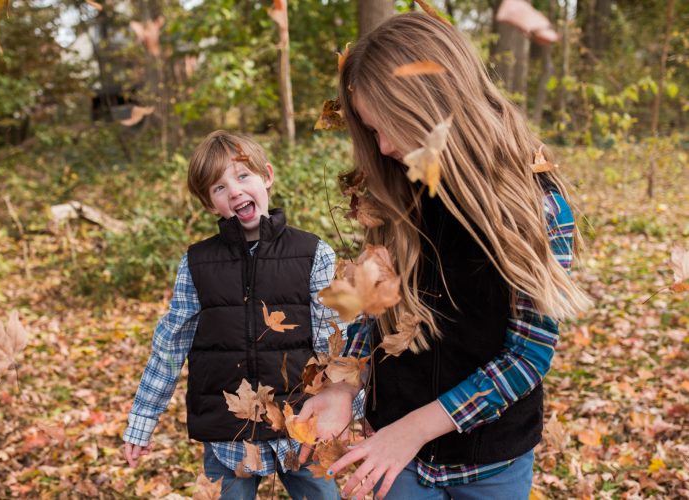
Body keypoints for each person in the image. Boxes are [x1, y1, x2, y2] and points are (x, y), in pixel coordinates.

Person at [296, 12, 591, 500]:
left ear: (433, 107)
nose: (384, 147)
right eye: (371, 132)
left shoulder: (535, 207)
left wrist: (411, 431)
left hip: (491, 460)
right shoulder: (396, 193)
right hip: (395, 457)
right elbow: (374, 313)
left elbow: (528, 355)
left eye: (388, 127)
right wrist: (343, 386)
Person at [122, 130, 341, 500]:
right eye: (219, 188)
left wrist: (345, 410)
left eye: (242, 176)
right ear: (211, 204)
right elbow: (169, 346)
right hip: (230, 432)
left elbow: (335, 341)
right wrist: (143, 420)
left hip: (301, 423)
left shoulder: (314, 253)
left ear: (266, 176)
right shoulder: (196, 264)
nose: (235, 191)